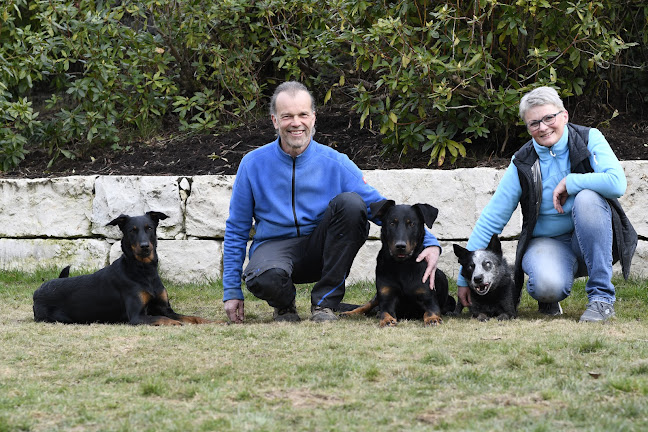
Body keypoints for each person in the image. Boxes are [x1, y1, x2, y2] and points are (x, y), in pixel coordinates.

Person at [222, 81, 442, 323]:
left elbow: (380, 209)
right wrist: (231, 291)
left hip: (322, 248)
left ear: (313, 118)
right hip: (274, 248)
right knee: (263, 277)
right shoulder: (252, 164)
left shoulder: (336, 162)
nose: (296, 123)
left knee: (351, 203)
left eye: (303, 114)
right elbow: (236, 229)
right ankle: (284, 306)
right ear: (275, 120)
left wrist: (430, 243)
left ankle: (324, 305)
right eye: (287, 116)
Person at [456, 86, 637, 322]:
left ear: (564, 115)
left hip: (593, 240)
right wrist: (464, 279)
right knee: (547, 286)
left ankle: (601, 299)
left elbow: (617, 183)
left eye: (549, 118)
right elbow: (493, 218)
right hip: (547, 244)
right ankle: (549, 297)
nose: (543, 127)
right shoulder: (522, 161)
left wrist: (572, 182)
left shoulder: (589, 138)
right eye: (534, 123)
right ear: (528, 128)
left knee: (587, 198)